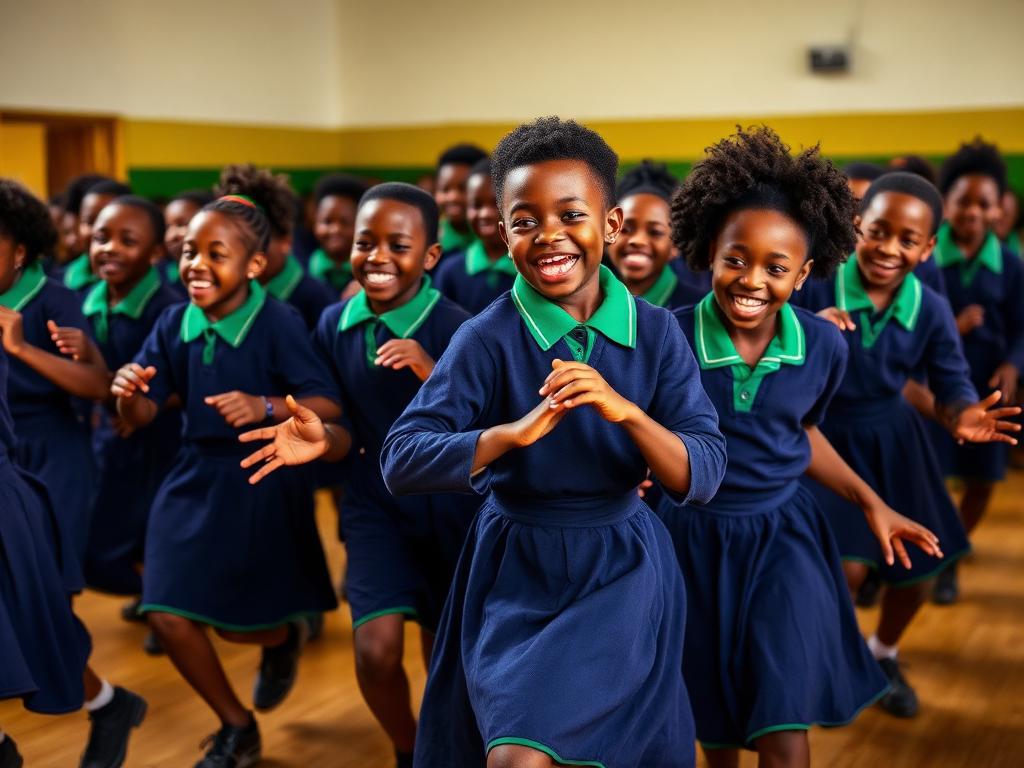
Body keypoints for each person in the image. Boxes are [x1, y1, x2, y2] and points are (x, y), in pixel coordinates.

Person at [382, 117, 727, 767]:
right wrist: (507, 435)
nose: (548, 236)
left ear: (612, 224)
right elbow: (402, 458)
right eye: (524, 220)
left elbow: (702, 471)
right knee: (516, 753)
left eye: (571, 214)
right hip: (516, 568)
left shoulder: (655, 333)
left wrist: (627, 412)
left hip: (622, 568)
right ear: (502, 231)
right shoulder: (487, 335)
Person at [663, 129, 938, 767]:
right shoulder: (666, 339)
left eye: (776, 267)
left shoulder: (825, 346)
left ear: (806, 273)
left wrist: (872, 505)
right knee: (714, 719)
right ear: (708, 253)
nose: (752, 280)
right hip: (690, 539)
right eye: (736, 258)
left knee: (782, 723)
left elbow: (801, 433)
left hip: (784, 539)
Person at [241, 182, 478, 768]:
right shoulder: (332, 324)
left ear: (429, 255)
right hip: (374, 507)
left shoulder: (461, 327)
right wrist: (323, 440)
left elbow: (489, 428)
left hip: (454, 510)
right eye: (363, 242)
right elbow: (344, 431)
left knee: (442, 655)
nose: (376, 256)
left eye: (397, 245)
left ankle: (444, 749)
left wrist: (431, 371)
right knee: (374, 652)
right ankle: (408, 749)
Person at [111, 194, 340, 767]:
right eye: (189, 251)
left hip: (259, 475)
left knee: (243, 628)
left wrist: (265, 405)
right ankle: (236, 726)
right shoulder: (174, 321)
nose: (197, 263)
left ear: (254, 266)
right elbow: (141, 415)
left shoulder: (278, 322)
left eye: (216, 253)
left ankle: (280, 640)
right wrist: (128, 397)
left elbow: (327, 404)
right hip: (192, 474)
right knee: (164, 611)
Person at [797, 171, 1020, 716]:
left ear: (927, 248)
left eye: (907, 239)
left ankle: (882, 653)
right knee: (843, 569)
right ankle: (837, 663)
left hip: (895, 438)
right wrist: (808, 324)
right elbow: (770, 328)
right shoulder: (819, 282)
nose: (889, 248)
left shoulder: (931, 306)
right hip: (823, 437)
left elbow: (952, 380)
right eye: (878, 232)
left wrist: (963, 413)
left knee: (920, 564)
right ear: (857, 227)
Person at [78, 196, 183, 656]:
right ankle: (156, 595)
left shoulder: (168, 308)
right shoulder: (88, 298)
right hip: (111, 438)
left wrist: (148, 406)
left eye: (127, 240)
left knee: (154, 532)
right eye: (101, 237)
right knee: (101, 541)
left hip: (161, 442)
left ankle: (165, 605)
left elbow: (187, 379)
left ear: (157, 252)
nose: (110, 249)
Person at [930, 139, 1024, 604]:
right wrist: (952, 324)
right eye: (962, 200)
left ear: (997, 210)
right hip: (937, 388)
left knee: (984, 478)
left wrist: (1013, 363)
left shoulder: (1011, 264)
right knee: (936, 476)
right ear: (945, 204)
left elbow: (1023, 328)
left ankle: (950, 553)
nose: (971, 211)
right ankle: (934, 554)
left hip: (989, 385)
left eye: (982, 203)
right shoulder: (925, 258)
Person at [215, 164, 335, 329]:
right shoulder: (225, 293)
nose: (242, 252)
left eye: (256, 241)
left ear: (286, 242)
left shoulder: (316, 298)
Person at [607, 159, 703, 309]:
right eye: (625, 229)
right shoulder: (588, 303)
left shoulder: (697, 310)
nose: (638, 240)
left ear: (675, 245)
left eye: (655, 232)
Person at [433, 159, 517, 314]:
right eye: (476, 205)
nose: (485, 214)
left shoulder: (527, 268)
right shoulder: (449, 271)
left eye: (496, 204)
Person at [308, 173, 369, 297]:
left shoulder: (370, 273)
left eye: (345, 222)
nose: (335, 230)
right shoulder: (302, 271)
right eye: (327, 221)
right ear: (315, 222)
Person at [434, 143, 488, 256]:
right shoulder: (429, 239)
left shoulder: (494, 241)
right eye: (445, 189)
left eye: (463, 188)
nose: (453, 197)